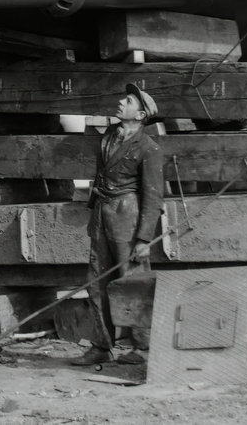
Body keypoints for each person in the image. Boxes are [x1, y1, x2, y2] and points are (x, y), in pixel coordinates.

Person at [74, 82, 163, 366]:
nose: (121, 103)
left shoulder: (148, 148)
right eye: (123, 98)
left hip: (129, 215)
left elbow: (152, 196)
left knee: (134, 280)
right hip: (102, 213)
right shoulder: (110, 135)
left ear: (140, 115)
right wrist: (94, 213)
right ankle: (101, 345)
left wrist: (144, 239)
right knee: (97, 280)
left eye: (128, 101)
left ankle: (143, 348)